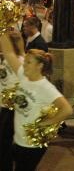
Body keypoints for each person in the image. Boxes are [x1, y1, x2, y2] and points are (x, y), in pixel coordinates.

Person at [0, 33, 72, 171]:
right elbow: (9, 52)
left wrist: (45, 123)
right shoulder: (23, 75)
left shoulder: (46, 88)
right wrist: (2, 27)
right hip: (19, 140)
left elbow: (67, 109)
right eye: (25, 61)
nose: (24, 64)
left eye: (28, 62)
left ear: (39, 66)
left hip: (33, 146)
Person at [0, 32, 25, 171]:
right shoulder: (7, 60)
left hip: (12, 108)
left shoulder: (19, 62)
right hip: (5, 106)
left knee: (5, 140)